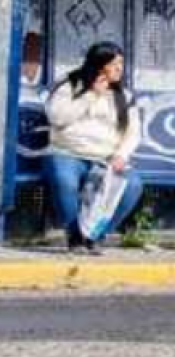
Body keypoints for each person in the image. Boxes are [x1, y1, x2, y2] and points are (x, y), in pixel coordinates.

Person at [43, 41, 145, 254]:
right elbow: (57, 117)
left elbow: (133, 132)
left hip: (105, 158)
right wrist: (91, 95)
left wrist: (121, 155)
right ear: (100, 66)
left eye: (121, 64)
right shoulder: (70, 84)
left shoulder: (124, 95)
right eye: (114, 64)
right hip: (67, 153)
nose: (120, 69)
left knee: (133, 184)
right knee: (64, 179)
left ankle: (95, 235)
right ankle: (75, 237)